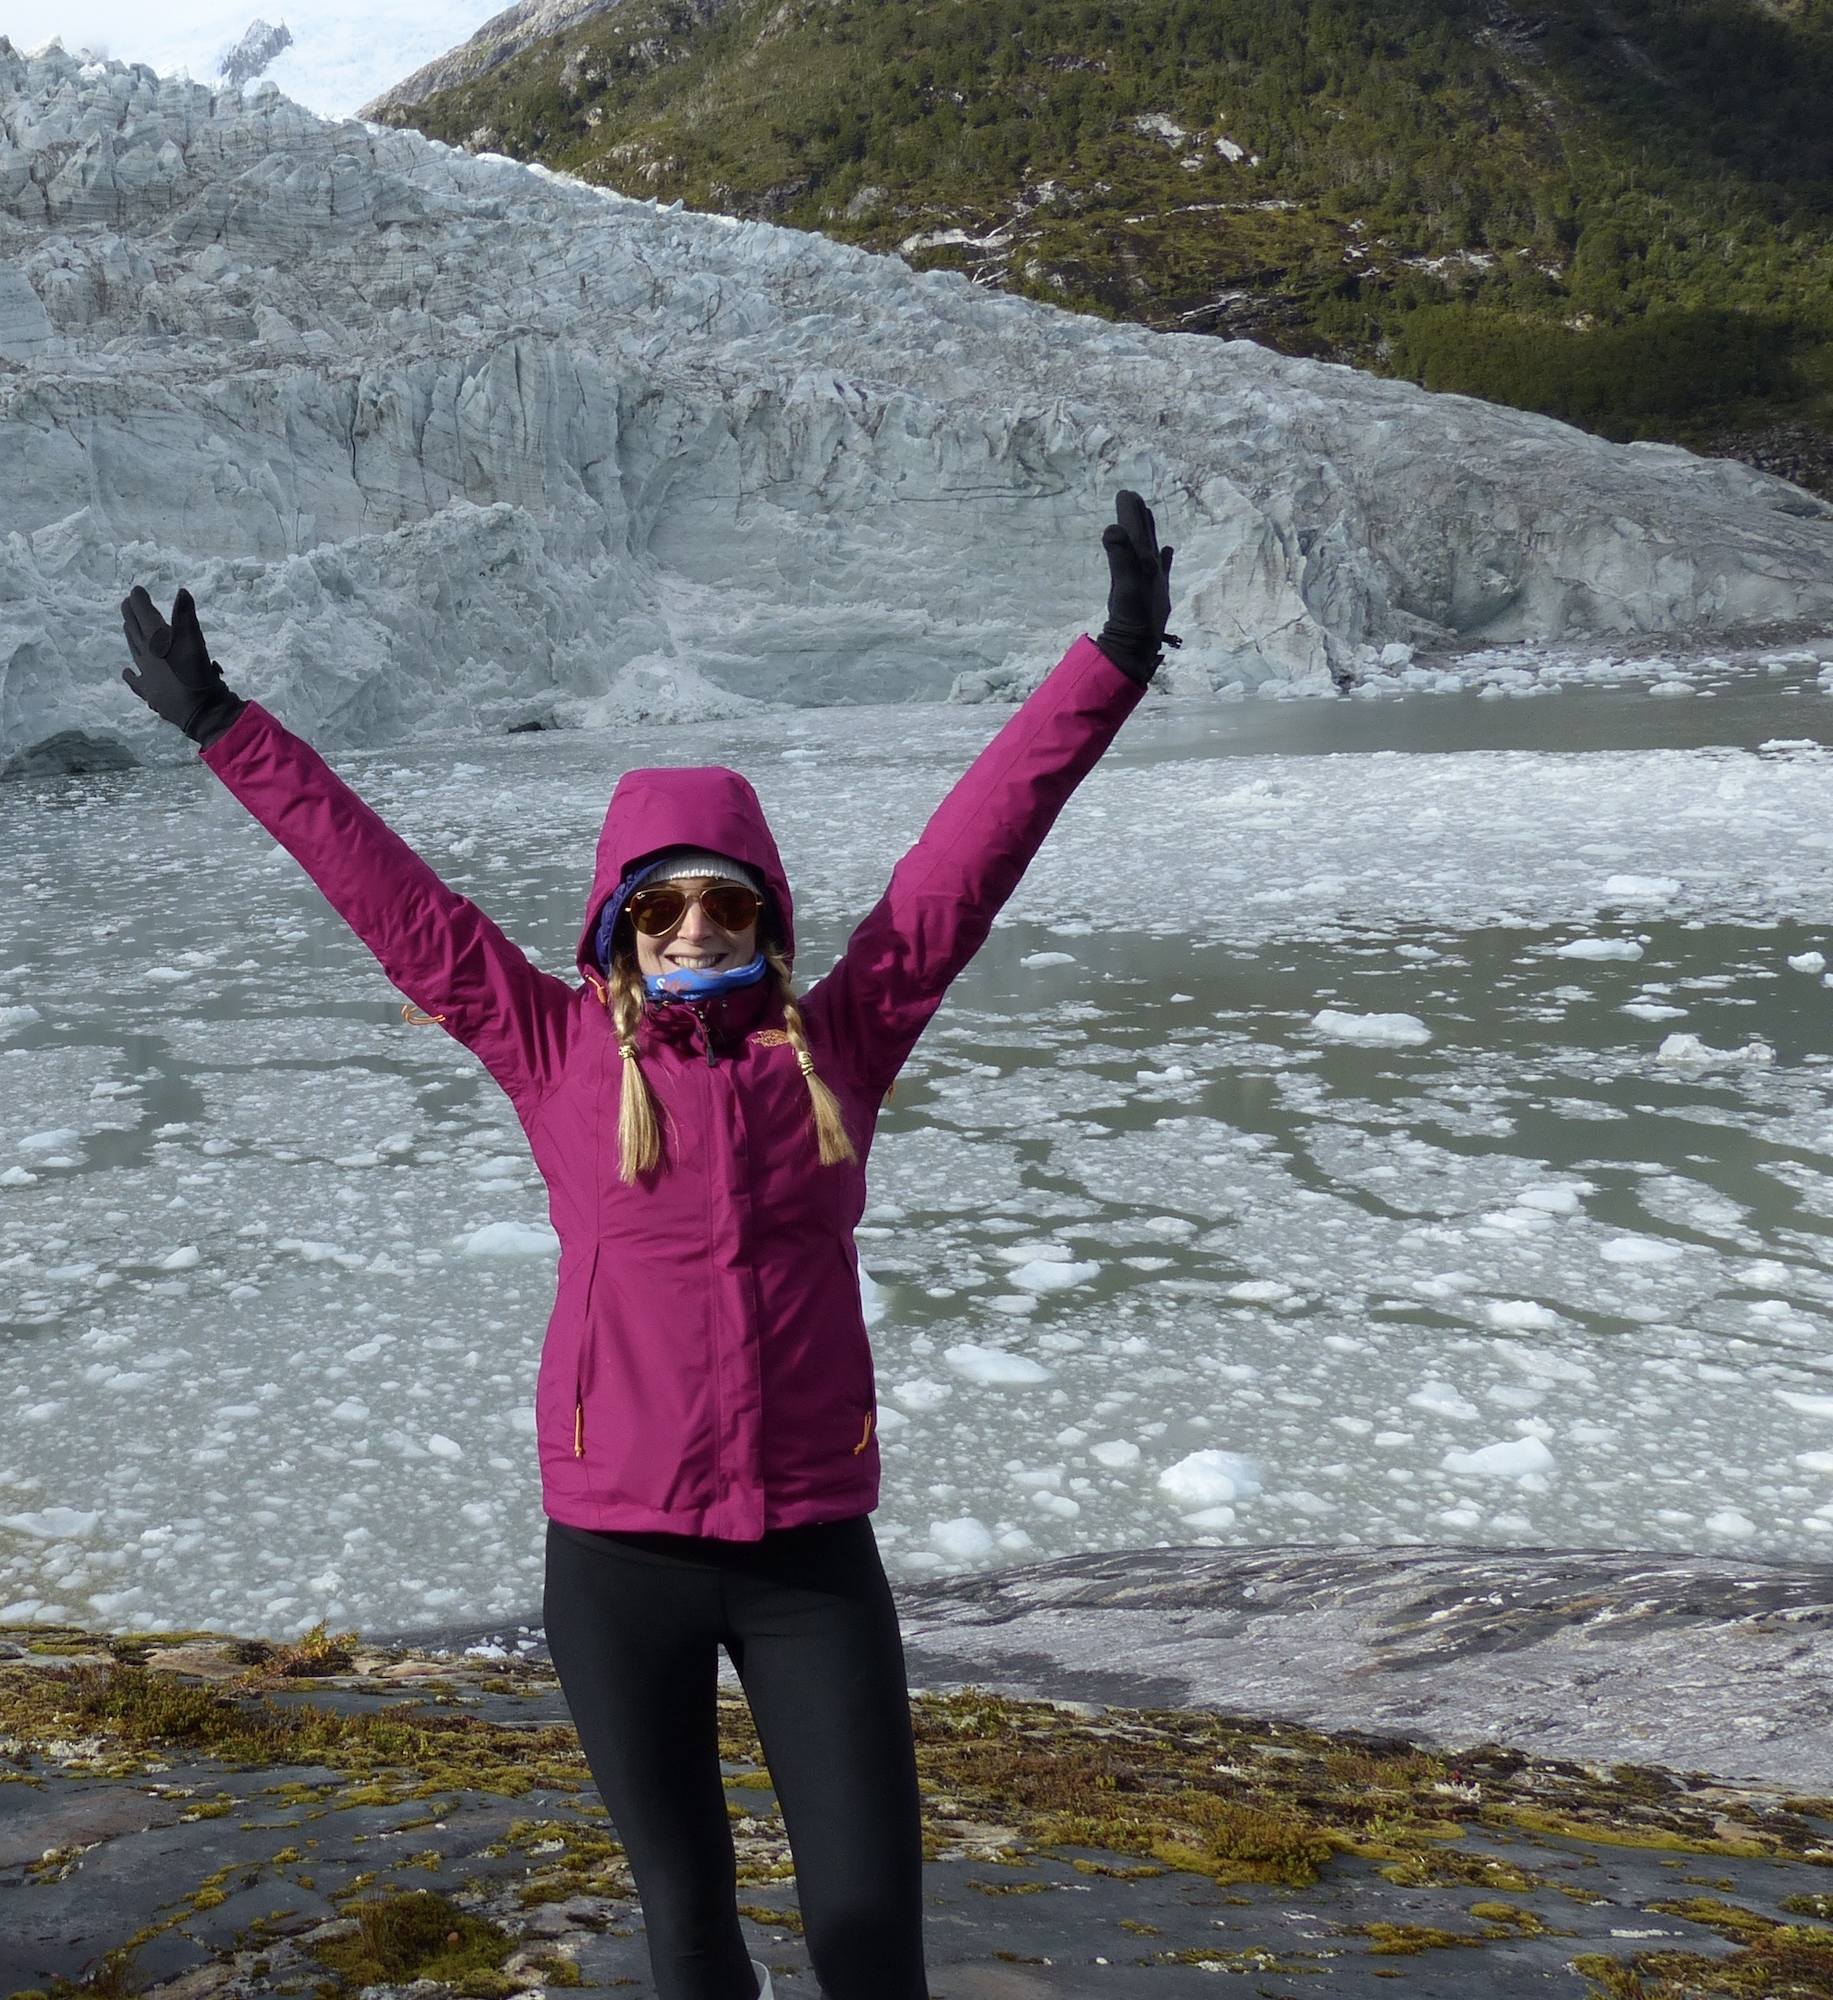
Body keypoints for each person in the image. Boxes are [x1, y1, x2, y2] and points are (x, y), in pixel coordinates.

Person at [118, 494, 1177, 2000]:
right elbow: (392, 899)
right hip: (617, 1562)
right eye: (663, 904)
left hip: (811, 1556)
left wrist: (1115, 660)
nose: (693, 927)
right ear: (619, 923)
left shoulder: (841, 1044)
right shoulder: (555, 1051)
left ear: (766, 917)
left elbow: (968, 860)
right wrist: (228, 726)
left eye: (722, 901)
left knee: (870, 1942)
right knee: (691, 1937)